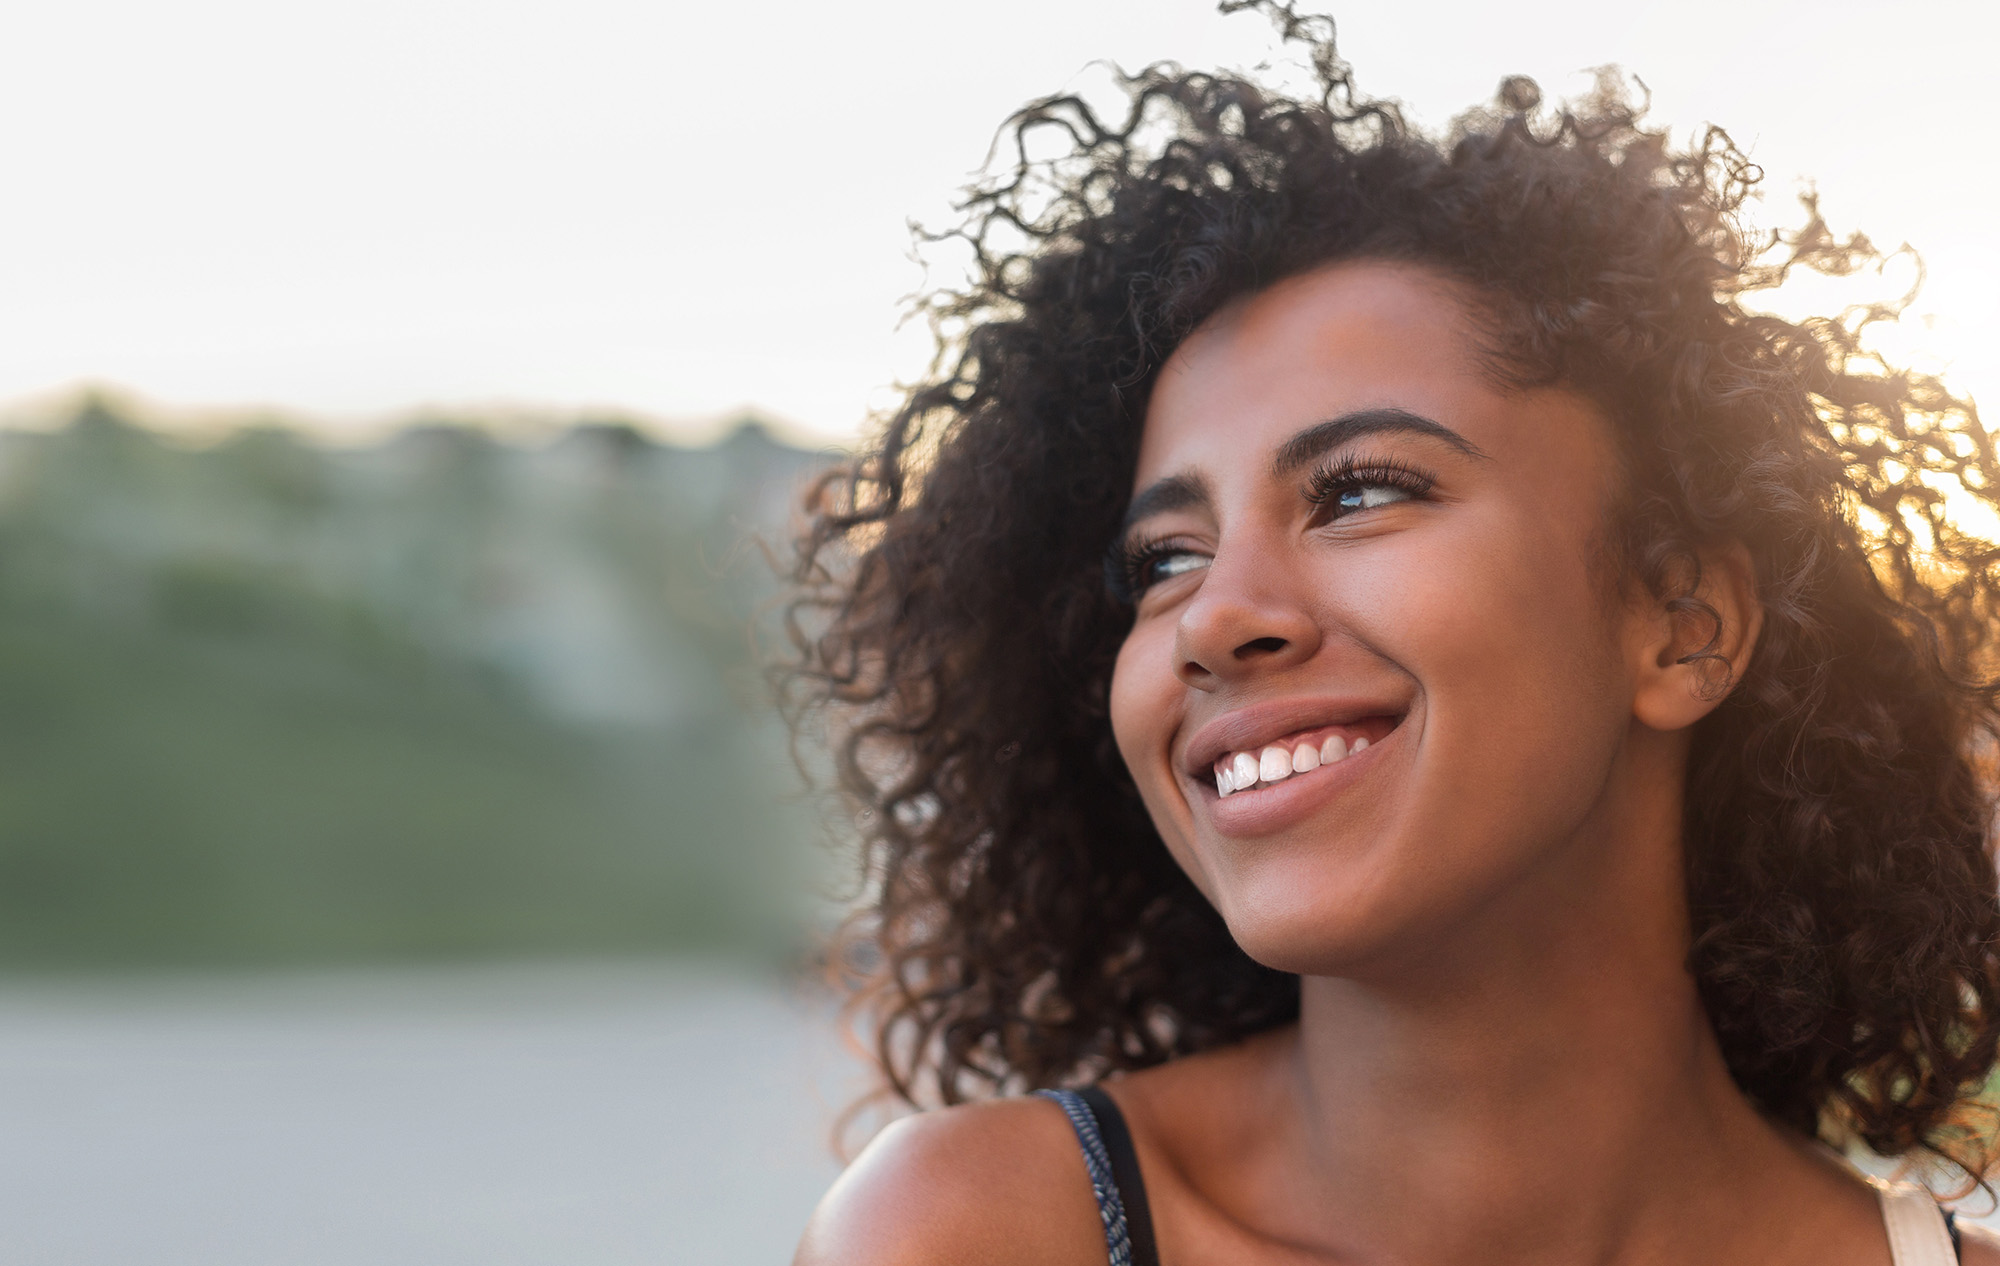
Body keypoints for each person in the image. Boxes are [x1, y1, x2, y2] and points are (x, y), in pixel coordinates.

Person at [783, 4, 2000, 1262]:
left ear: (1681, 627)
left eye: (1358, 492)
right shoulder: (984, 1234)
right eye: (1163, 559)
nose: (1213, 618)